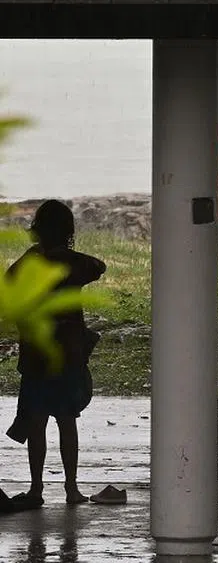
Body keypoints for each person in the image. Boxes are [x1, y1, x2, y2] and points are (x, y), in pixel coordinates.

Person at [4, 200, 106, 508]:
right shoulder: (72, 264)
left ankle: (36, 488)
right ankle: (71, 488)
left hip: (37, 355)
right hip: (67, 355)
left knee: (36, 424)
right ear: (68, 232)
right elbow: (97, 267)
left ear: (38, 231)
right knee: (66, 421)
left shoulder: (32, 262)